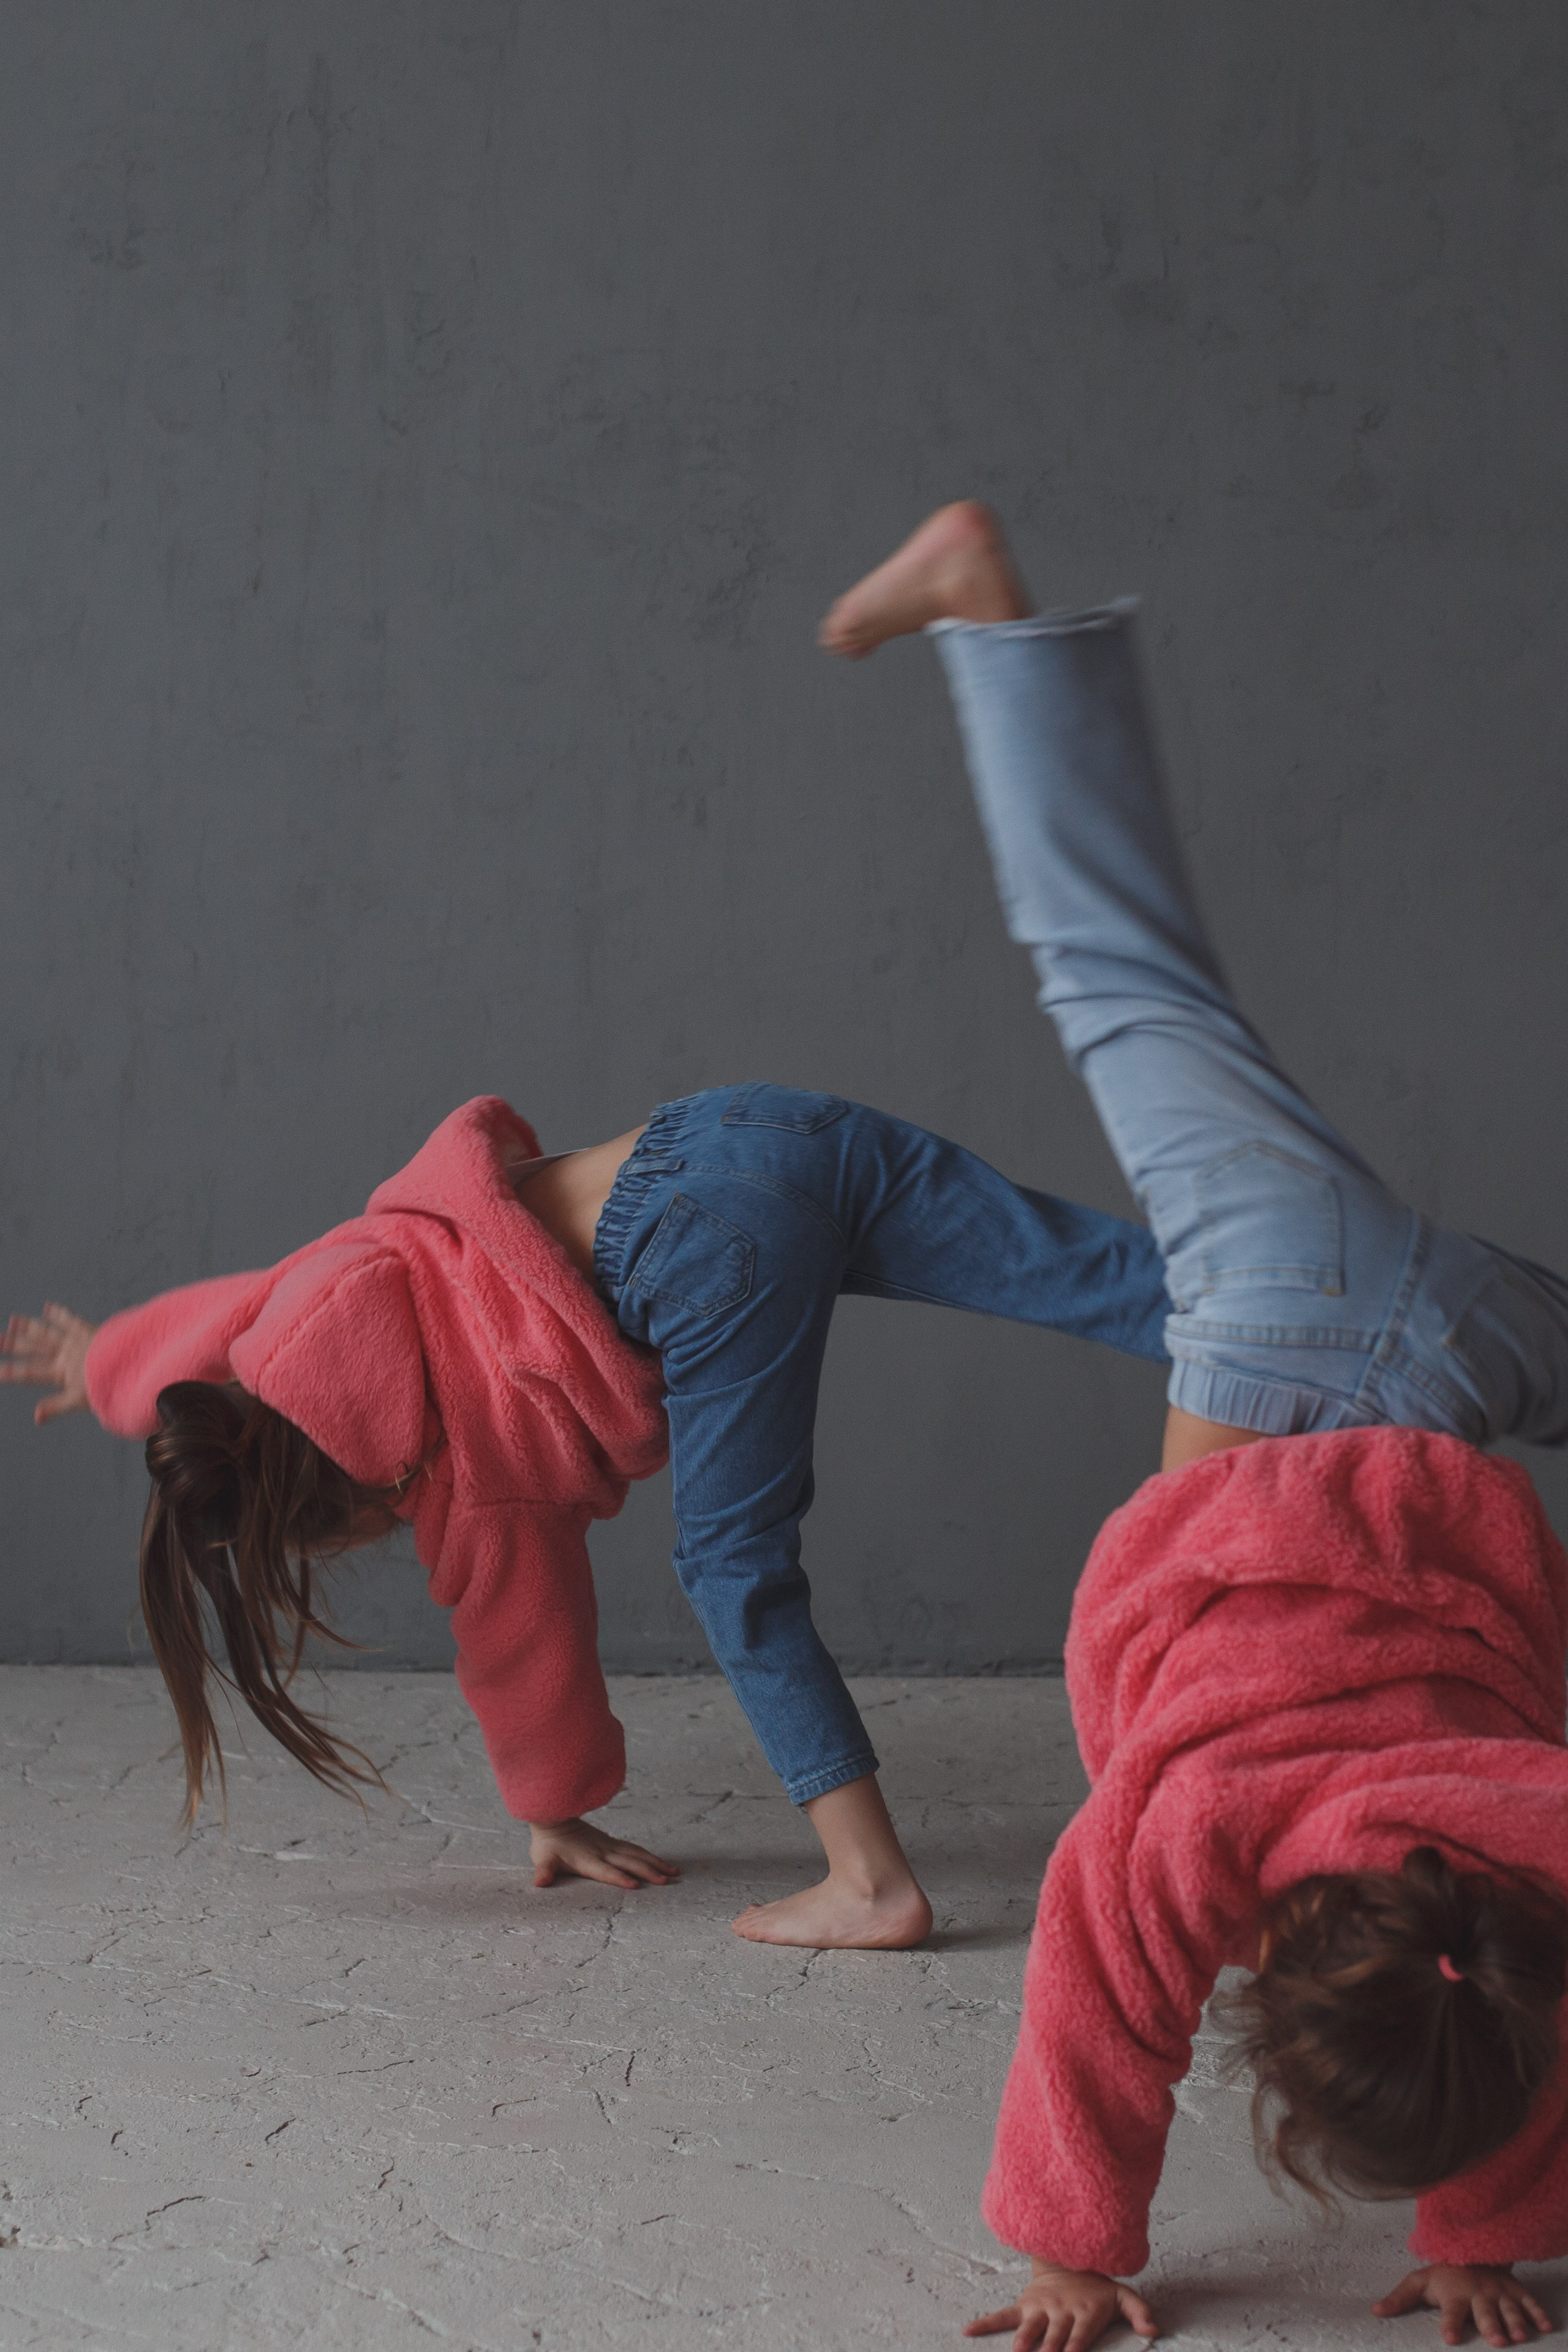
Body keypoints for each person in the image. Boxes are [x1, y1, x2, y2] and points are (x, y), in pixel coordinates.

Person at [818, 502, 1568, 2351]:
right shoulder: (1185, 1838)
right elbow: (1095, 2024)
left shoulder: (1539, 1861)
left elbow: (1526, 2021)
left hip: (1445, 1369)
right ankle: (985, 604)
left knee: (1129, 979)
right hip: (1286, 1312)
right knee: (1116, 970)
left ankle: (995, 618)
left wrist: (1485, 2232)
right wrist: (1070, 2250)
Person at [2, 1088, 1169, 1954]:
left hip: (698, 1244)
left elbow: (524, 1646)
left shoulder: (463, 1474)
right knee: (1100, 1277)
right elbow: (221, 1325)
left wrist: (553, 1809)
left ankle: (872, 1884)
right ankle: (1285, 1334)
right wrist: (109, 1360)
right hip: (750, 1125)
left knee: (733, 1566)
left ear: (338, 1510)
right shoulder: (324, 1291)